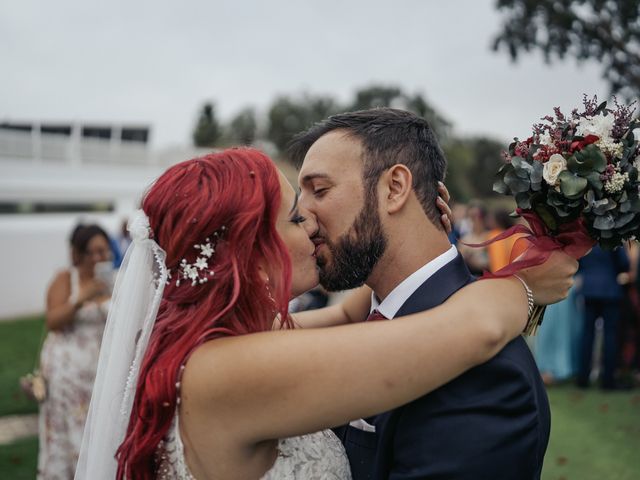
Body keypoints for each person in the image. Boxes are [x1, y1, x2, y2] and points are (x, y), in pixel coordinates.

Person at [76, 148, 576, 480]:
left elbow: (342, 321)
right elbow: (478, 327)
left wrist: (409, 237)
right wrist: (526, 285)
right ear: (250, 250)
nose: (312, 221)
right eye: (295, 215)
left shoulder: (213, 346)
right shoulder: (226, 372)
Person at [290, 108, 562, 480]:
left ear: (395, 188)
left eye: (319, 190)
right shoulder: (369, 317)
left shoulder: (487, 375)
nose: (301, 215)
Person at [39, 224, 112, 479]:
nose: (98, 258)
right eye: (92, 252)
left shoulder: (115, 280)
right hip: (68, 372)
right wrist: (81, 298)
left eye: (103, 251)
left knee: (99, 430)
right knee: (70, 430)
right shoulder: (65, 278)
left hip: (102, 370)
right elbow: (53, 321)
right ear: (79, 254)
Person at [576, 245, 630, 389]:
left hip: (588, 289)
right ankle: (608, 380)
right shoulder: (613, 237)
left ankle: (583, 378)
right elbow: (624, 263)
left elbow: (578, 262)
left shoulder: (586, 238)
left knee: (587, 335)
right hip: (610, 289)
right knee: (610, 336)